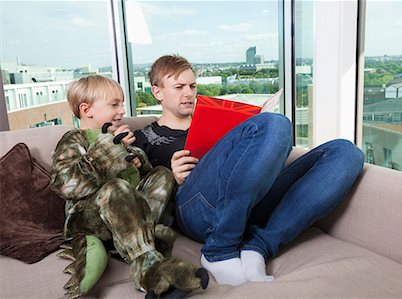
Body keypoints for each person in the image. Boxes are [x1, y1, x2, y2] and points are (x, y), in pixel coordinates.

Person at [133, 55, 365, 286]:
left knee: (346, 152)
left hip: (246, 200)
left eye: (192, 86)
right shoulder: (143, 138)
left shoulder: (214, 120)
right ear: (157, 92)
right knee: (276, 122)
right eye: (179, 87)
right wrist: (171, 177)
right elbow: (137, 198)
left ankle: (259, 247)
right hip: (196, 208)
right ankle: (219, 249)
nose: (189, 93)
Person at [50, 75, 208, 298]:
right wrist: (109, 151)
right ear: (87, 110)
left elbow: (138, 179)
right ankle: (149, 269)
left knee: (162, 174)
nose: (122, 111)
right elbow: (64, 185)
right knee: (116, 187)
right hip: (89, 217)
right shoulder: (74, 139)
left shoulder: (117, 137)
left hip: (125, 212)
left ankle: (133, 237)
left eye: (122, 104)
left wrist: (138, 161)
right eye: (115, 105)